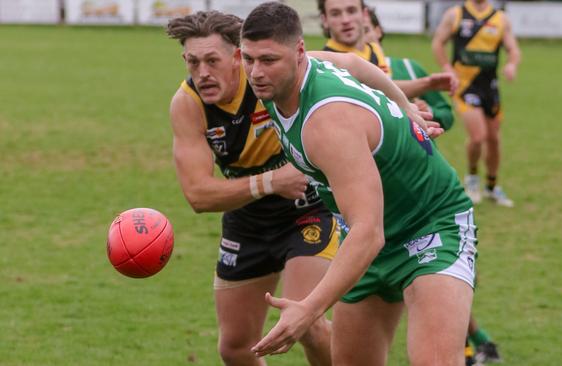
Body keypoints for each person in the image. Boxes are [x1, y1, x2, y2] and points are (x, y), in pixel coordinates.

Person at [166, 10, 440, 366]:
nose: (202, 73)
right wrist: (270, 182)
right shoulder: (188, 104)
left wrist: (405, 108)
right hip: (247, 220)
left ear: (237, 57)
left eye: (212, 61)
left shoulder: (268, 72)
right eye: (193, 62)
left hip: (307, 208)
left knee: (307, 322)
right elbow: (198, 195)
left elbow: (353, 66)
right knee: (234, 347)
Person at [240, 3, 477, 365]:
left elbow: (369, 231)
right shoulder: (280, 77)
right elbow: (353, 63)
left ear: (299, 52)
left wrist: (308, 310)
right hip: (368, 237)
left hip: (429, 225)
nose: (256, 72)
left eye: (268, 60)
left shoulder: (329, 123)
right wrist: (404, 105)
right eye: (248, 58)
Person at [366, 9, 500, 365]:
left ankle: (472, 341)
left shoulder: (408, 69)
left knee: (441, 275)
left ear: (379, 30)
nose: (359, 32)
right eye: (340, 17)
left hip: (423, 198)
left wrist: (424, 113)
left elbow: (444, 112)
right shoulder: (338, 81)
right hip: (368, 209)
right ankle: (473, 341)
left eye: (367, 26)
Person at [432, 0, 521, 207]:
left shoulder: (500, 19)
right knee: (478, 136)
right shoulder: (455, 15)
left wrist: (512, 65)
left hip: (490, 87)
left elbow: (513, 49)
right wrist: (447, 67)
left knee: (494, 140)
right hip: (465, 87)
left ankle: (492, 187)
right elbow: (438, 43)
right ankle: (472, 179)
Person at [318, 0, 458, 100]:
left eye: (351, 11)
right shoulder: (326, 63)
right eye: (335, 14)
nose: (345, 20)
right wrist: (425, 84)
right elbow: (372, 93)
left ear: (365, 14)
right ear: (324, 20)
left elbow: (385, 88)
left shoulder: (373, 48)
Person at [364, 7, 454, 131]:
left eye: (365, 30)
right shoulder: (343, 74)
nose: (361, 38)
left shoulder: (408, 67)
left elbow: (447, 115)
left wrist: (428, 111)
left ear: (378, 31)